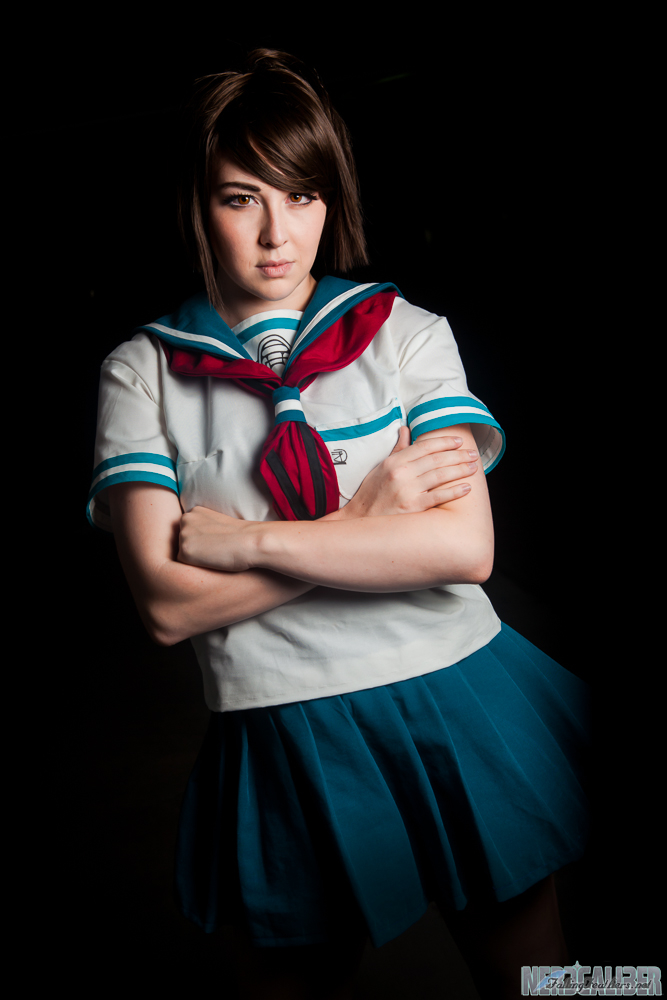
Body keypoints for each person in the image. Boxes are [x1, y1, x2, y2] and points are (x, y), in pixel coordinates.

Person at [87, 49, 589, 1000]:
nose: (278, 233)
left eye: (302, 195)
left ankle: (646, 987)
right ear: (197, 204)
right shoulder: (141, 372)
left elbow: (461, 548)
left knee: (548, 984)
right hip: (282, 730)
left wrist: (246, 540)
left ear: (331, 199)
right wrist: (364, 523)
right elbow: (167, 606)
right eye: (241, 198)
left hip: (456, 696)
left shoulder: (405, 333)